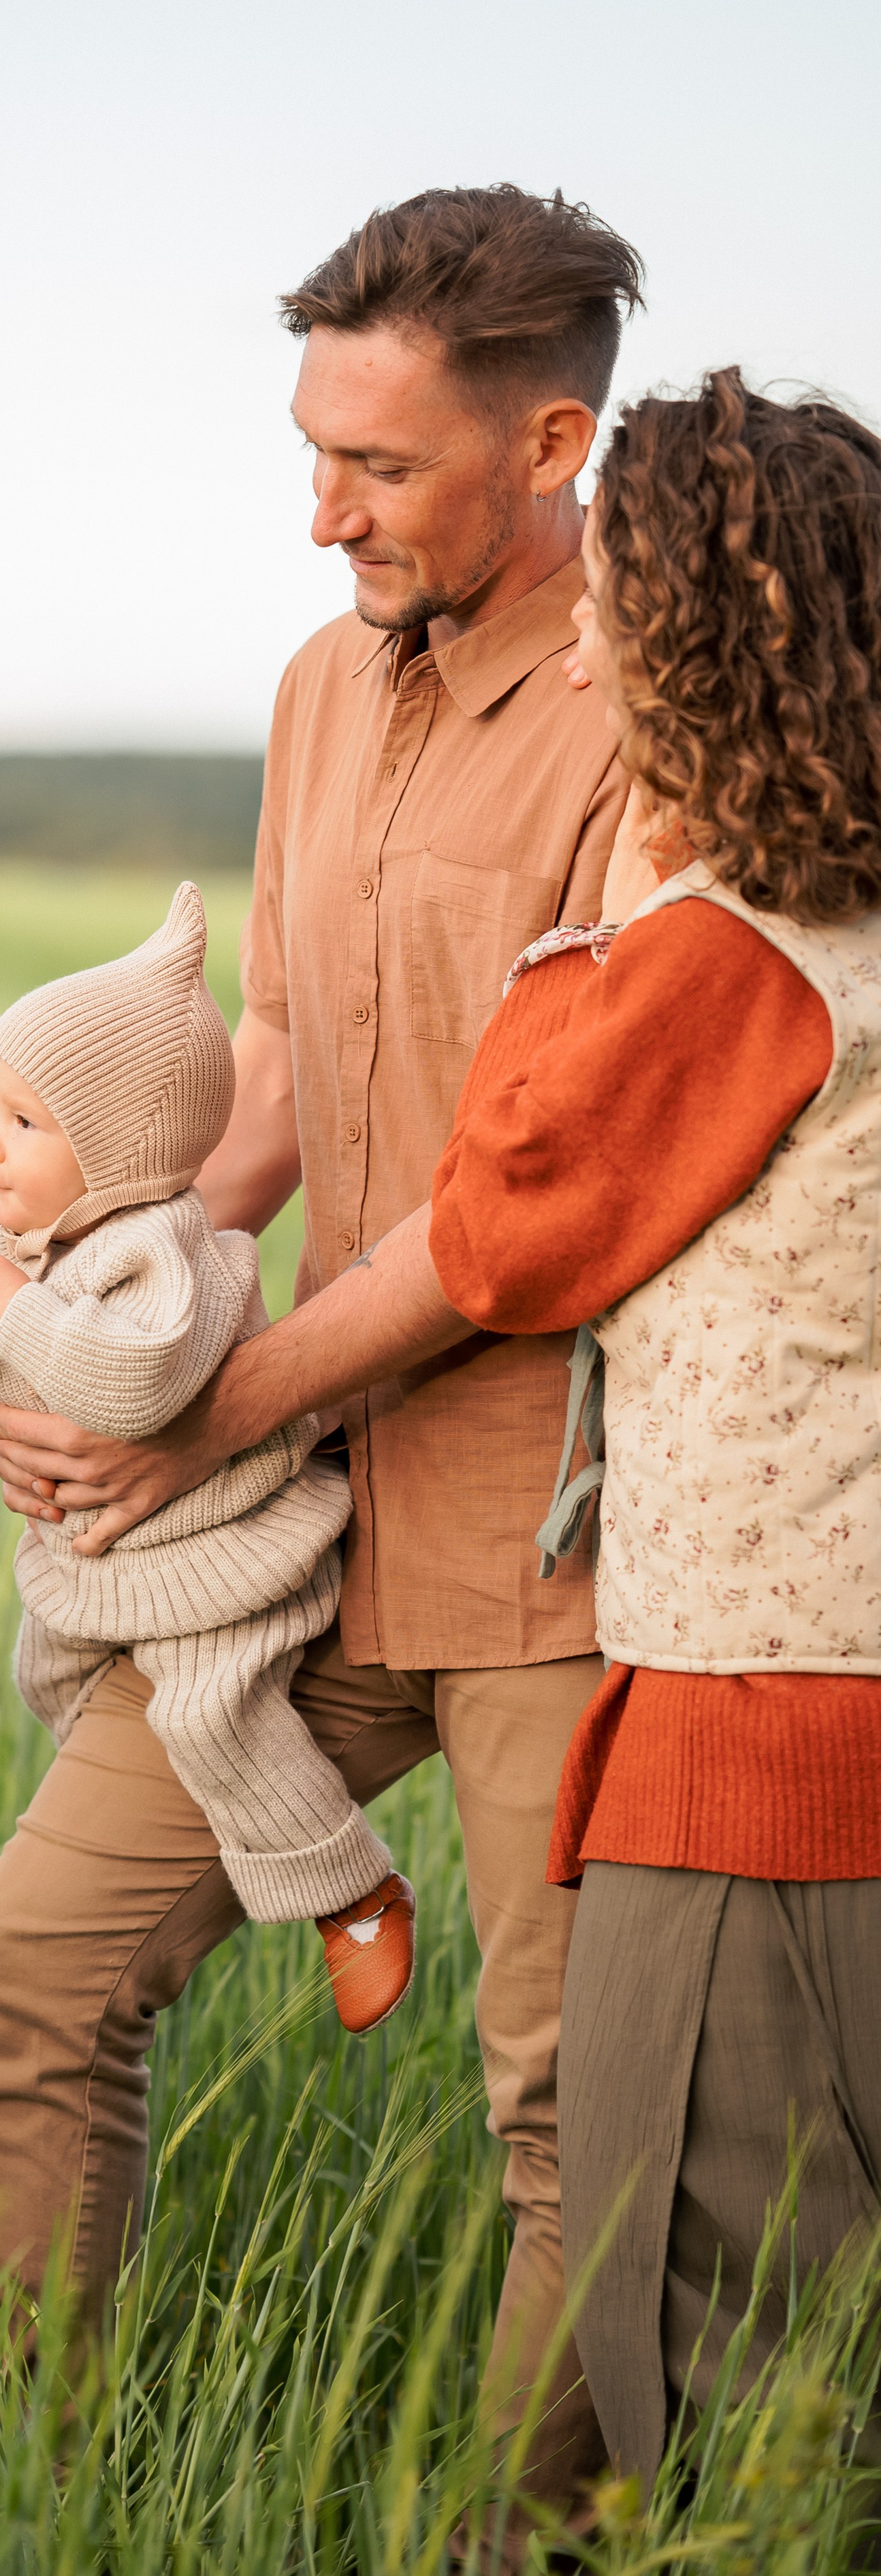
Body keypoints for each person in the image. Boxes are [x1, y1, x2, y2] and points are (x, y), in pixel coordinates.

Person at [0, 181, 643, 2505]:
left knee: (571, 2122)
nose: (321, 512)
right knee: (39, 1960)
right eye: (311, 451)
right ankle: (14, 2503)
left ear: (550, 444)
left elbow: (534, 1193)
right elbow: (271, 1067)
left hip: (571, 1540)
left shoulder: (654, 721)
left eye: (376, 466)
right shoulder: (316, 688)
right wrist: (93, 1345)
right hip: (304, 1526)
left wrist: (200, 1414)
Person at [428, 368, 881, 2494]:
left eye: (611, 603)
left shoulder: (739, 956)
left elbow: (500, 1222)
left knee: (727, 2375)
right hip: (812, 1712)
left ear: (702, 636)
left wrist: (620, 889)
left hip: (765, 1746)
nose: (584, 655)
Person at [0, 882, 415, 2035]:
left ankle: (349, 1890)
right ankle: (156, 1819)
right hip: (88, 1562)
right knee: (45, 1675)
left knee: (210, 1717)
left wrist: (7, 1306)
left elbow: (133, 1383)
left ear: (119, 1152)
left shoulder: (166, 1253)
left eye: (27, 1123)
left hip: (213, 1557)